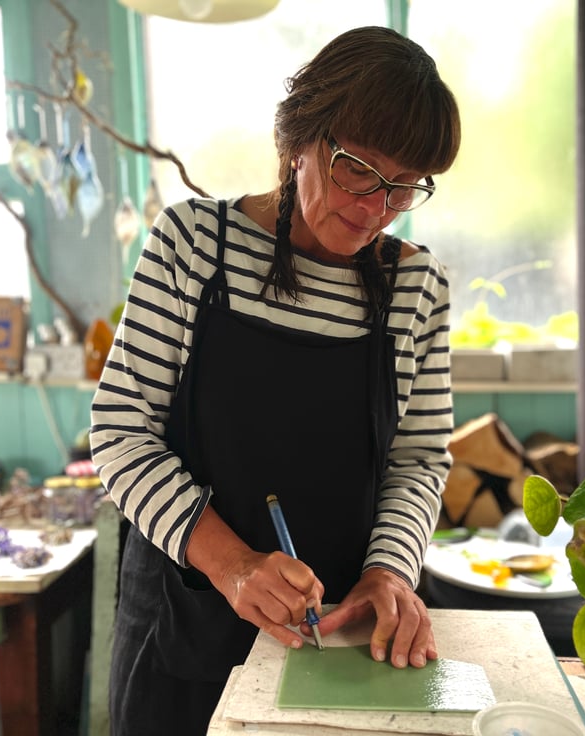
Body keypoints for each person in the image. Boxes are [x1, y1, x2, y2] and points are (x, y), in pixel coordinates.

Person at [90, 24, 460, 735]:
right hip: (184, 618)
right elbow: (120, 433)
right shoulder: (194, 245)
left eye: (404, 186)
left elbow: (418, 461)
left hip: (341, 629)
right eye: (358, 169)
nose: (375, 208)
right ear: (299, 139)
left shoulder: (416, 284)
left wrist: (389, 572)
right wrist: (233, 565)